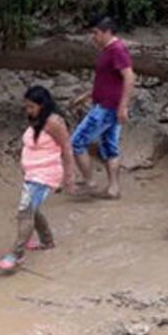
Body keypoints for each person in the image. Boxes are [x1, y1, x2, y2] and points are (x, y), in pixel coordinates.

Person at [0, 86, 76, 271]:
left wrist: (69, 176)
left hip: (45, 174)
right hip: (32, 173)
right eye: (26, 107)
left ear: (43, 105)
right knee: (33, 209)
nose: (28, 111)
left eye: (31, 107)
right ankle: (47, 241)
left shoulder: (54, 122)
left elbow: (66, 148)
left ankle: (16, 254)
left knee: (25, 212)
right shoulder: (37, 119)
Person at [70, 16, 135, 199]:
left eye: (96, 33)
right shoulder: (109, 50)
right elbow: (108, 80)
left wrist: (123, 107)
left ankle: (90, 182)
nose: (93, 37)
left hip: (107, 107)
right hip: (108, 104)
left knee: (77, 141)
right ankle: (113, 188)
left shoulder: (117, 50)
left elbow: (129, 77)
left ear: (107, 32)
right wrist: (88, 95)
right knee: (109, 147)